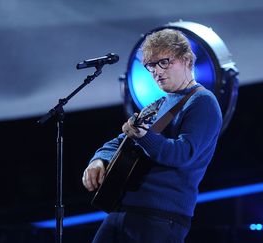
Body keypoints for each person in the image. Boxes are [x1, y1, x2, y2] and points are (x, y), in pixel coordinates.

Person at [82, 28, 223, 243]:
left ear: (186, 60)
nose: (156, 71)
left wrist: (143, 136)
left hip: (161, 218)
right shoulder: (160, 104)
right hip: (124, 209)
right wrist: (99, 159)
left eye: (163, 62)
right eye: (150, 66)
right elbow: (121, 141)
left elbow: (182, 154)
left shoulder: (203, 102)